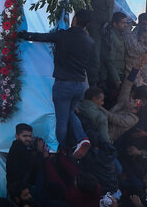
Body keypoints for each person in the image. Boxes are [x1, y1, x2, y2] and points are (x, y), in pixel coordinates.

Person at [18, 10, 94, 158]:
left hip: (64, 84)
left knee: (62, 119)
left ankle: (63, 149)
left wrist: (22, 35)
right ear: (88, 25)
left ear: (75, 19)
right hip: (80, 85)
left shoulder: (64, 35)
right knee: (70, 113)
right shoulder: (90, 42)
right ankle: (82, 138)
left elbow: (42, 37)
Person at [86, 0, 126, 87]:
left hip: (106, 26)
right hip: (94, 26)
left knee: (107, 54)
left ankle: (104, 81)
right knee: (95, 55)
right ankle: (93, 83)